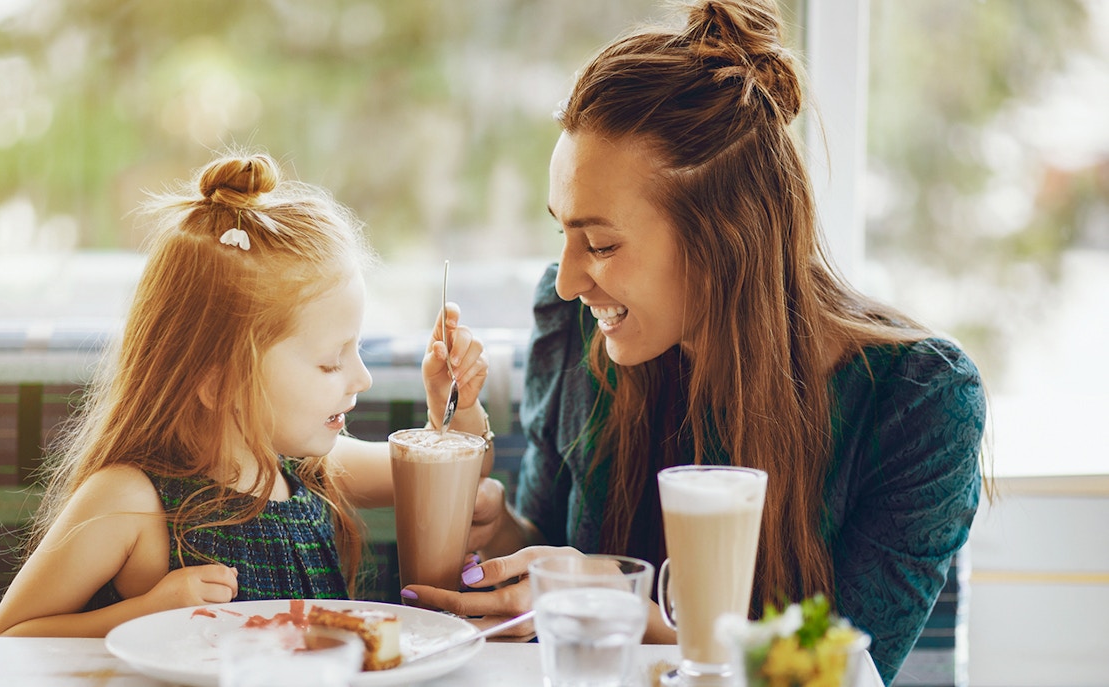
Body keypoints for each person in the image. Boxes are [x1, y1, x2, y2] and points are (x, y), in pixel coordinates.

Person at [402, 1, 987, 683]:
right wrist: (502, 538)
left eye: (600, 243)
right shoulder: (574, 330)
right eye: (561, 232)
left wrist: (618, 602)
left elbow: (841, 669)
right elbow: (550, 548)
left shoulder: (919, 406)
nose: (565, 281)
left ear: (723, 239)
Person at [0, 152, 493, 637]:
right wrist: (146, 613)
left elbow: (459, 478)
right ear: (217, 381)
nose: (362, 378)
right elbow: (9, 635)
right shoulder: (130, 501)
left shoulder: (310, 470)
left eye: (355, 350)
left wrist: (455, 403)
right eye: (329, 362)